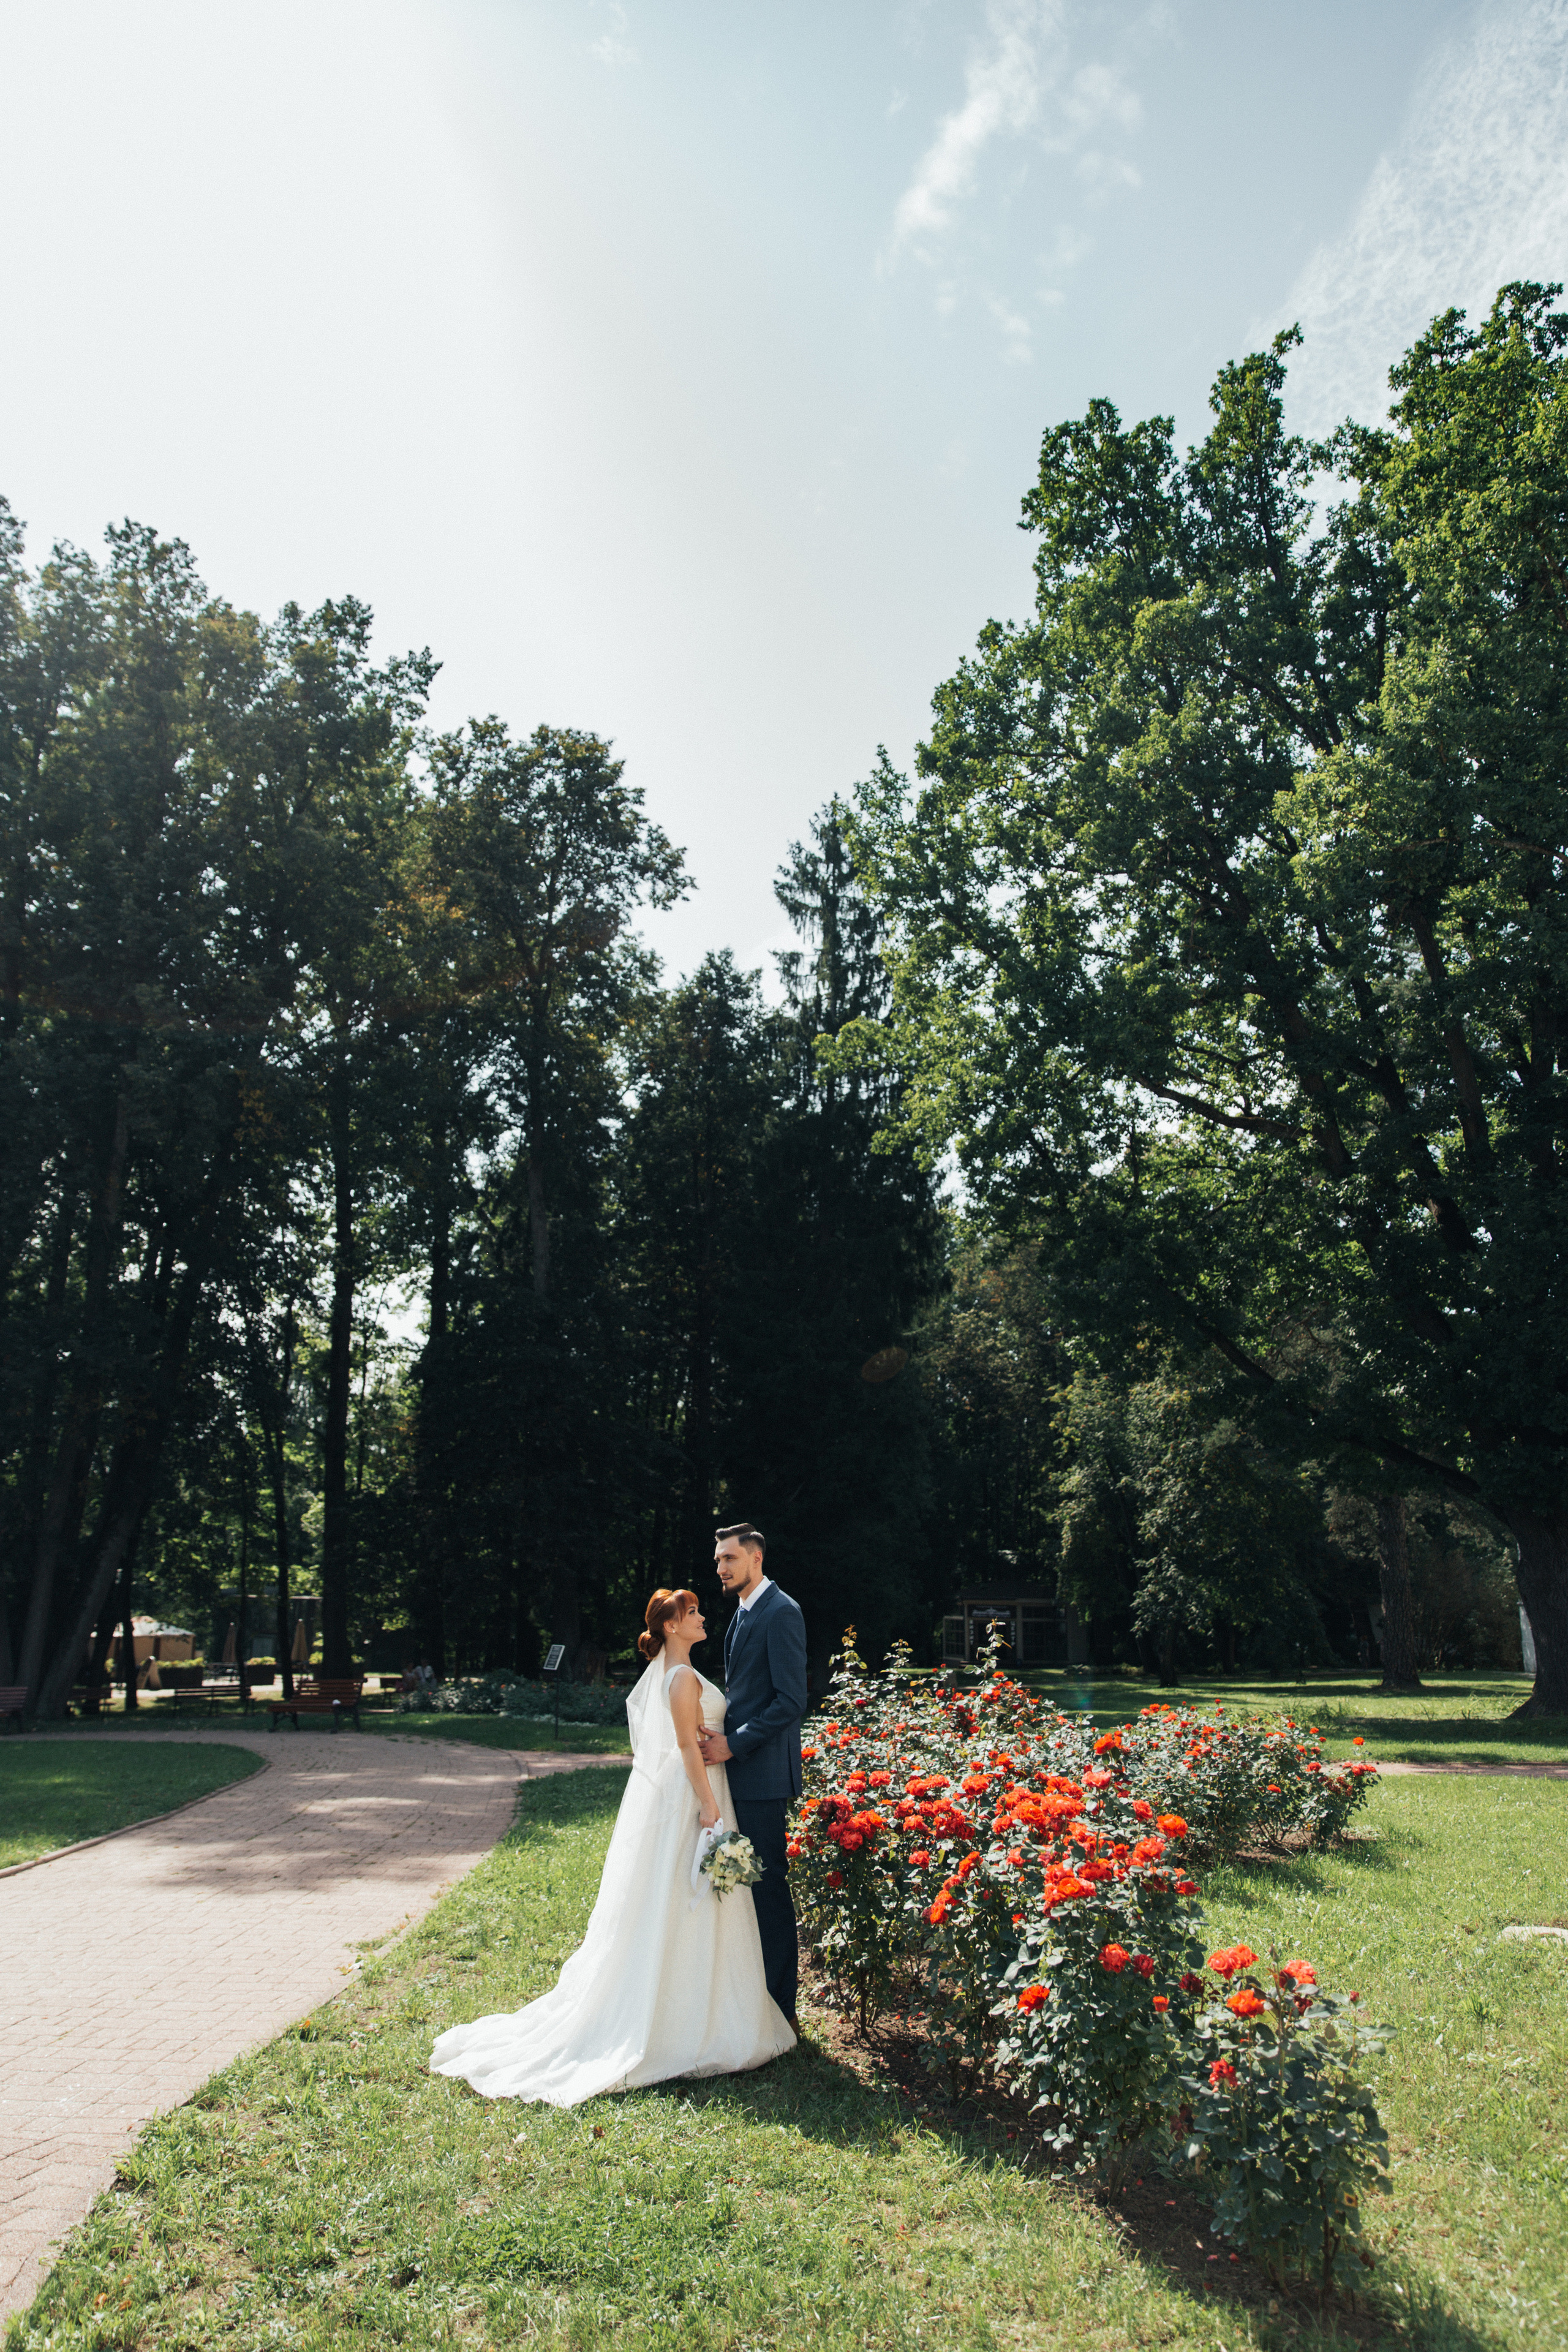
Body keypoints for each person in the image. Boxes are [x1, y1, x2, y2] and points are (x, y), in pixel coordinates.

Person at [429, 1587, 794, 2106]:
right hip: (698, 1796)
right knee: (688, 1899)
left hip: (689, 1794)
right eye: (693, 1614)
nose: (703, 1617)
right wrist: (709, 1805)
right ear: (671, 1627)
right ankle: (688, 2022)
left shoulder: (677, 1674)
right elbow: (689, 1747)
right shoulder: (683, 1677)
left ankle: (703, 2011)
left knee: (686, 1900)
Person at [697, 1523, 807, 2027]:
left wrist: (733, 1743)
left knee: (767, 1889)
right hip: (738, 1770)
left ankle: (781, 2010)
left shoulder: (781, 1612)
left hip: (762, 1775)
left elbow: (791, 1701)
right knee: (745, 1886)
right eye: (719, 1559)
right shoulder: (743, 1613)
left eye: (730, 1559)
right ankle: (753, 1999)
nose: (721, 1568)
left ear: (756, 1560)